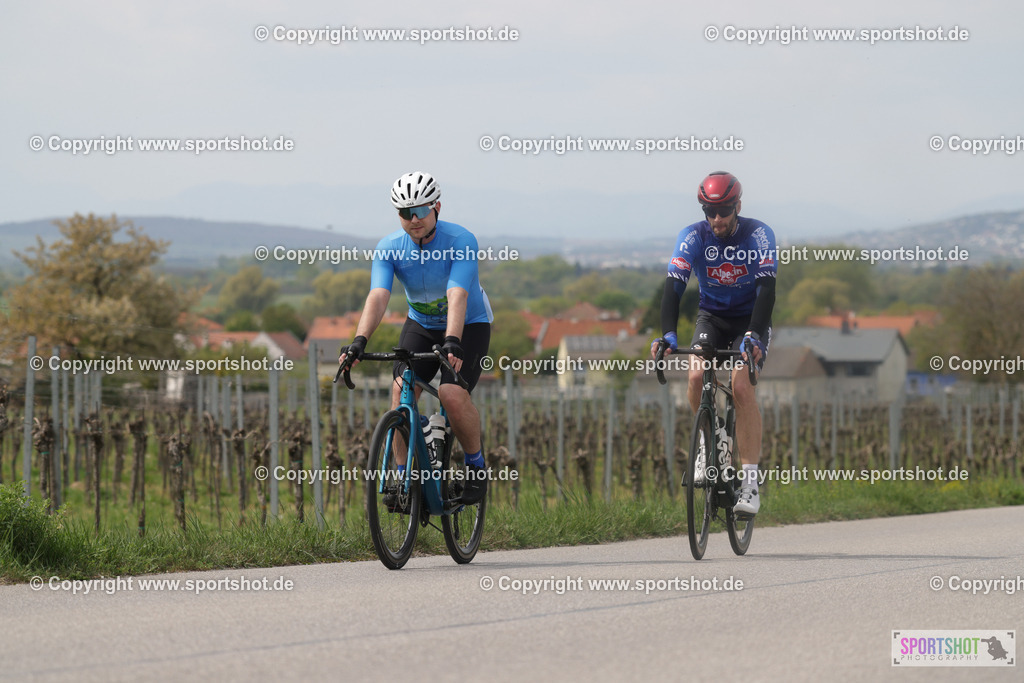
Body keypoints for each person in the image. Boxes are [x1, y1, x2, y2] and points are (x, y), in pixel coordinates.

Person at [338, 171, 493, 505]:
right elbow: (378, 296)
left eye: (421, 210)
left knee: (451, 394)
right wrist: (359, 340)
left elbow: (457, 294)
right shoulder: (389, 248)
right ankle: (403, 478)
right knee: (400, 391)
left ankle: (476, 467)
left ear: (437, 206)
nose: (415, 219)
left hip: (468, 324)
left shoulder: (460, 240)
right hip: (421, 324)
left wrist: (453, 338)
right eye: (406, 213)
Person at [651, 171, 776, 516]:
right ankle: (709, 441)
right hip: (713, 317)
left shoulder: (759, 234)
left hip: (750, 320)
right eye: (710, 212)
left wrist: (754, 334)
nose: (717, 219)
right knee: (694, 377)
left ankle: (750, 484)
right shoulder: (692, 236)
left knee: (741, 386)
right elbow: (674, 286)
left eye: (723, 211)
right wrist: (668, 334)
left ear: (737, 206)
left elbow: (767, 290)